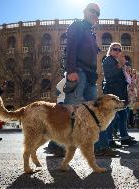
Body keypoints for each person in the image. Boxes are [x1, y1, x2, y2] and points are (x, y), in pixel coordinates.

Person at [47, 3, 117, 156]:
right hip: (78, 72)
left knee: (96, 113)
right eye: (92, 11)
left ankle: (100, 147)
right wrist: (71, 70)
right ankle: (55, 145)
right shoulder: (77, 26)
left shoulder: (90, 32)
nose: (95, 15)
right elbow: (70, 48)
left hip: (90, 76)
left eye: (98, 13)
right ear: (85, 11)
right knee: (70, 110)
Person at [102, 42, 137, 148]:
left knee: (123, 116)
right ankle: (109, 140)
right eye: (115, 49)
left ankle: (124, 138)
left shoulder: (118, 62)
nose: (117, 51)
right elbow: (109, 76)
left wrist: (130, 77)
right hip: (113, 93)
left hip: (121, 93)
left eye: (119, 50)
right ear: (110, 50)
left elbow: (123, 78)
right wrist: (120, 65)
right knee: (112, 117)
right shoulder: (107, 60)